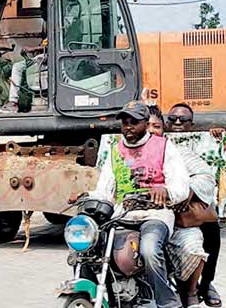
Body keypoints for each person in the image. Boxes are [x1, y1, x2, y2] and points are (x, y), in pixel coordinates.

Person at [77, 101, 191, 308]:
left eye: (134, 122)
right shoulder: (116, 151)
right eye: (124, 122)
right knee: (87, 249)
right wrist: (87, 196)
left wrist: (165, 191)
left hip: (155, 215)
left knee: (148, 249)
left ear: (146, 124)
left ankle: (168, 303)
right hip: (123, 215)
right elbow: (106, 188)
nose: (128, 127)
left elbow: (181, 185)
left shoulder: (164, 146)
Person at [149, 105, 211, 307]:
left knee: (195, 246)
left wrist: (188, 191)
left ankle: (193, 291)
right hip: (133, 219)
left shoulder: (176, 152)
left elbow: (206, 175)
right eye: (146, 126)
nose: (150, 131)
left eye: (155, 126)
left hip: (173, 220)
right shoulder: (122, 152)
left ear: (162, 128)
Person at [165, 103, 224, 307]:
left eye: (183, 119)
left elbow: (208, 172)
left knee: (211, 232)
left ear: (192, 124)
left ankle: (205, 284)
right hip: (162, 206)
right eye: (173, 119)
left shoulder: (201, 142)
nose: (178, 123)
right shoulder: (158, 145)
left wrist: (187, 193)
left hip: (192, 205)